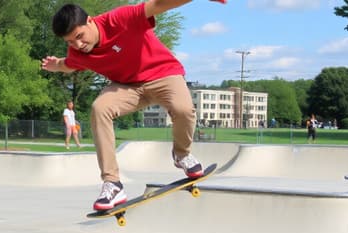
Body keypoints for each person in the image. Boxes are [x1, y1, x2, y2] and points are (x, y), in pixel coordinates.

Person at [41, 0, 224, 211]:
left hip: (163, 74)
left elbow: (159, 4)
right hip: (127, 88)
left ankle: (182, 154)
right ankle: (112, 183)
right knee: (100, 108)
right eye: (70, 42)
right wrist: (56, 66)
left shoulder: (119, 20)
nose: (78, 45)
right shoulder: (79, 53)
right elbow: (68, 64)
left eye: (80, 36)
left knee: (183, 109)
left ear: (90, 21)